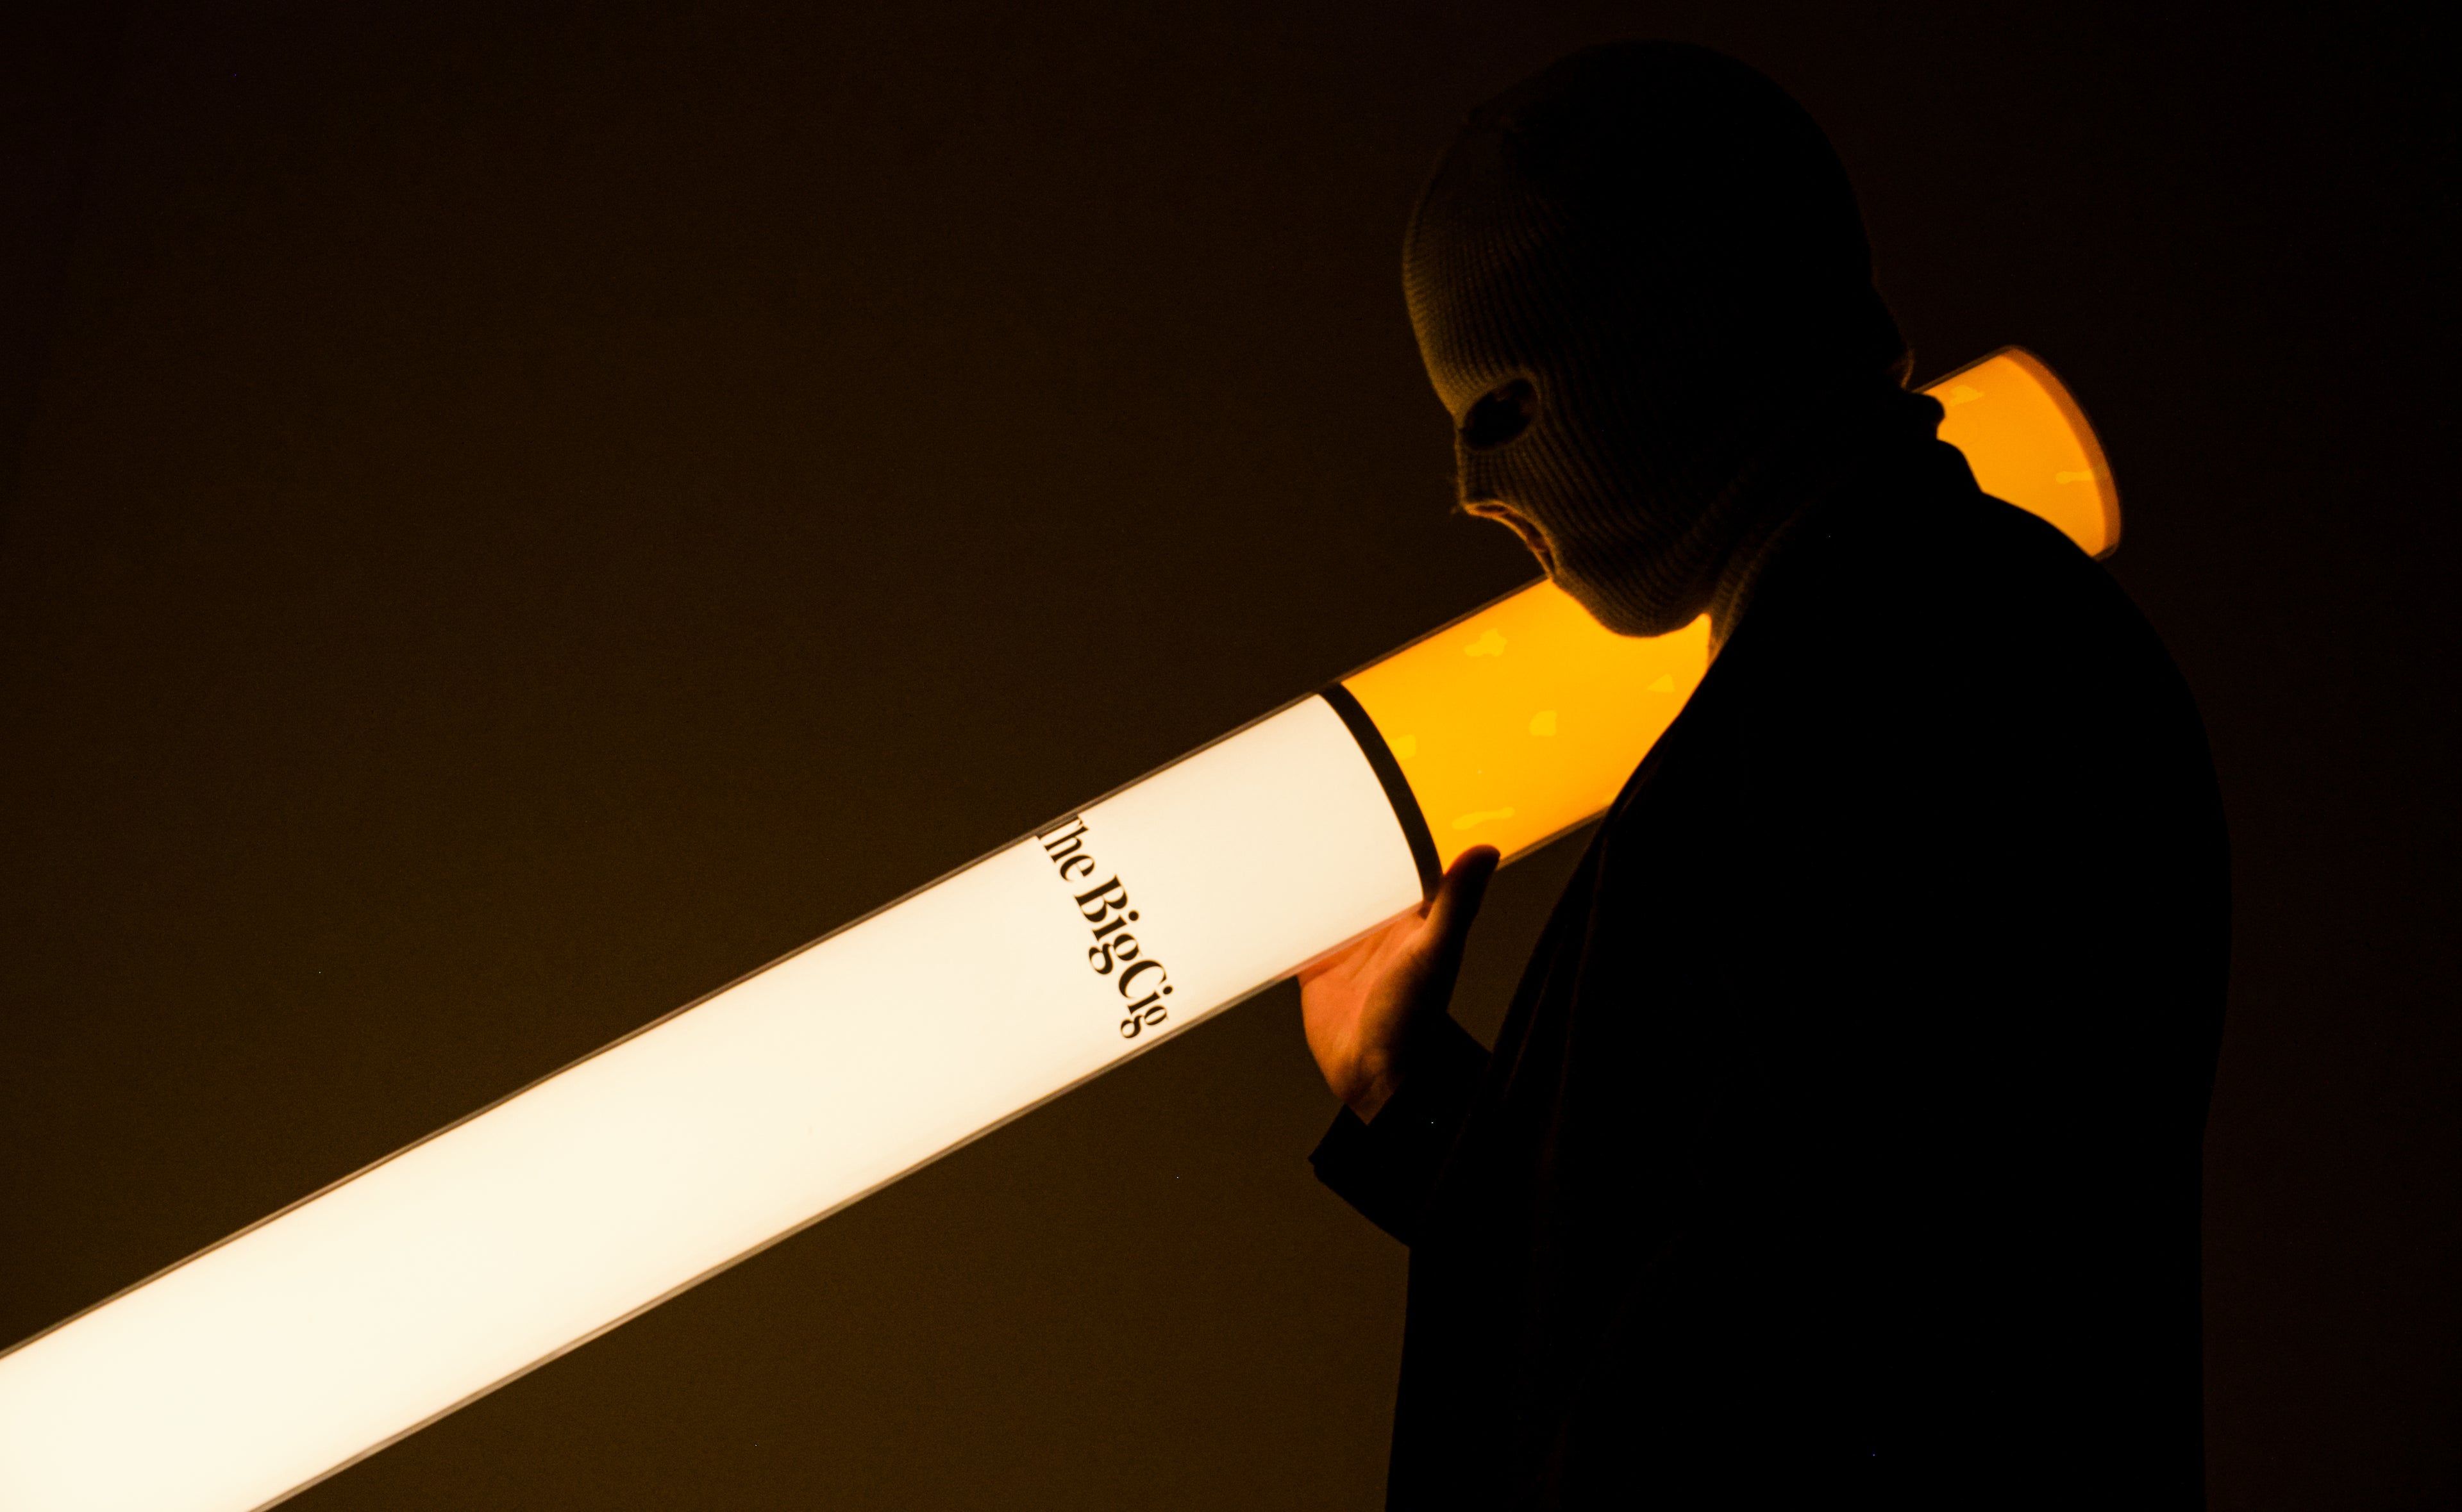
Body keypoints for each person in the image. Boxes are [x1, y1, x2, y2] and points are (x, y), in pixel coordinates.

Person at [1297, 42, 2229, 1509]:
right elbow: (1717, 1249)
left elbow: (1773, 1368)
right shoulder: (1906, 654)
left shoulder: (1909, 687)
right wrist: (1413, 1099)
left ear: (1660, 343)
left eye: (1503, 405)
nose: (1475, 494)